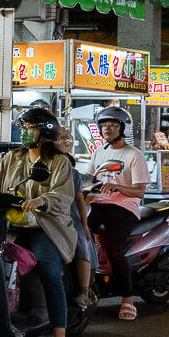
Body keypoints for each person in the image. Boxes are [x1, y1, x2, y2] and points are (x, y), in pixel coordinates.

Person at [0, 107, 75, 337]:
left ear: (44, 132)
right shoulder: (13, 158)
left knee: (49, 273)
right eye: (21, 128)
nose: (23, 133)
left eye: (29, 128)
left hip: (45, 228)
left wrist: (42, 200)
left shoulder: (59, 163)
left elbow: (63, 195)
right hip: (11, 226)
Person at [85, 106, 150, 321]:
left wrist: (119, 188)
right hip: (99, 205)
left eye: (112, 125)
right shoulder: (99, 152)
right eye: (103, 125)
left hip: (124, 208)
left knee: (113, 247)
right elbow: (87, 179)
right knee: (77, 235)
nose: (107, 129)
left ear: (123, 128)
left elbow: (140, 191)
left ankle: (127, 300)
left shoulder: (134, 155)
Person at [58, 129, 97, 310]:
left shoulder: (72, 174)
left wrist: (85, 225)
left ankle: (83, 291)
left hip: (71, 219)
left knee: (82, 247)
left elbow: (80, 201)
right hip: (49, 218)